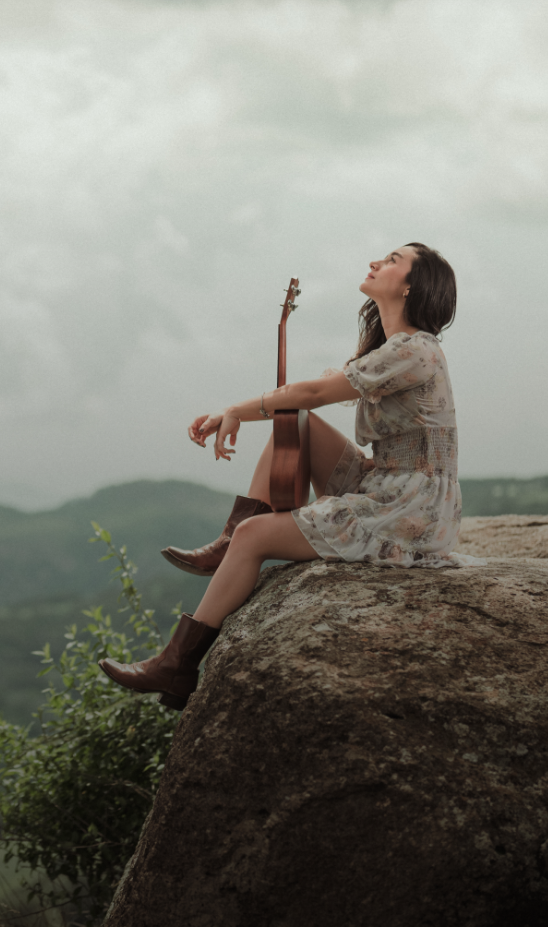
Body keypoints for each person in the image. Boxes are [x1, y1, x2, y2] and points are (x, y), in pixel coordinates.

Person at [101, 242, 466, 710]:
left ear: (413, 285)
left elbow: (311, 391)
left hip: (410, 504)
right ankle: (228, 540)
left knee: (257, 533)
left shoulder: (416, 350)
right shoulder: (395, 348)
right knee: (296, 426)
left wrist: (232, 410)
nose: (376, 261)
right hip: (386, 480)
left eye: (393, 260)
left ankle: (176, 666)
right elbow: (302, 405)